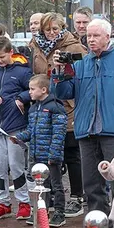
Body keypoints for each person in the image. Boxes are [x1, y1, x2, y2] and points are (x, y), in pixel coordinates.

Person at [52, 17, 114, 228]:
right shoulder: (81, 64)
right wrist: (59, 72)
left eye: (96, 36)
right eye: (88, 36)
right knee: (92, 184)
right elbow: (63, 93)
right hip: (87, 132)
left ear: (108, 36)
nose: (91, 40)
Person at [30, 12, 87, 217]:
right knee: (49, 152)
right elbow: (34, 72)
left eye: (56, 29)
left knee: (71, 152)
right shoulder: (36, 45)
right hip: (45, 104)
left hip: (67, 105)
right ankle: (53, 193)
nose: (52, 33)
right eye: (48, 29)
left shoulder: (72, 46)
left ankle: (77, 196)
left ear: (62, 28)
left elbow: (82, 74)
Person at [0, 37, 34, 221]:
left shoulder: (22, 71)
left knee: (16, 164)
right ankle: (3, 203)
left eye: (2, 56)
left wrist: (21, 97)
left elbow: (33, 90)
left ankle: (24, 203)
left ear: (11, 52)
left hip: (16, 125)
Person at [13, 74, 68, 227]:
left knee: (56, 185)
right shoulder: (34, 108)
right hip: (37, 154)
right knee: (42, 186)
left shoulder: (55, 107)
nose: (29, 92)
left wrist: (54, 155)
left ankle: (59, 213)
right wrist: (19, 137)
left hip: (51, 155)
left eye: (32, 89)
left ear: (43, 90)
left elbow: (59, 134)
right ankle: (42, 212)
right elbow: (31, 130)